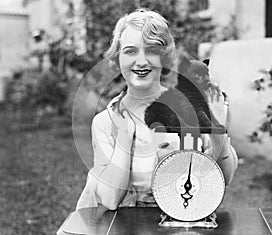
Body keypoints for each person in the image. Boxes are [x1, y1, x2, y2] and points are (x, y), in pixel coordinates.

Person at [76, 8, 238, 211]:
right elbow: (110, 199)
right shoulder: (106, 122)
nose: (141, 61)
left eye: (152, 50)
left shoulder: (191, 109)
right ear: (118, 59)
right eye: (130, 51)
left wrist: (218, 128)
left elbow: (225, 177)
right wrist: (125, 138)